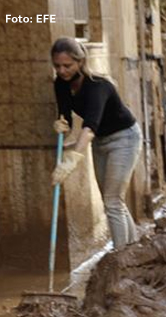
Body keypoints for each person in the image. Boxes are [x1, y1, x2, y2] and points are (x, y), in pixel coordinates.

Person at [49, 37, 142, 249]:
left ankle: (120, 257)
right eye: (57, 66)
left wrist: (73, 159)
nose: (62, 71)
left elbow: (90, 126)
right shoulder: (61, 84)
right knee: (113, 200)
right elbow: (67, 117)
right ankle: (134, 250)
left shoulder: (98, 87)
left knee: (112, 201)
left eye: (67, 66)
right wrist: (62, 123)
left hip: (124, 139)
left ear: (80, 62)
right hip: (101, 142)